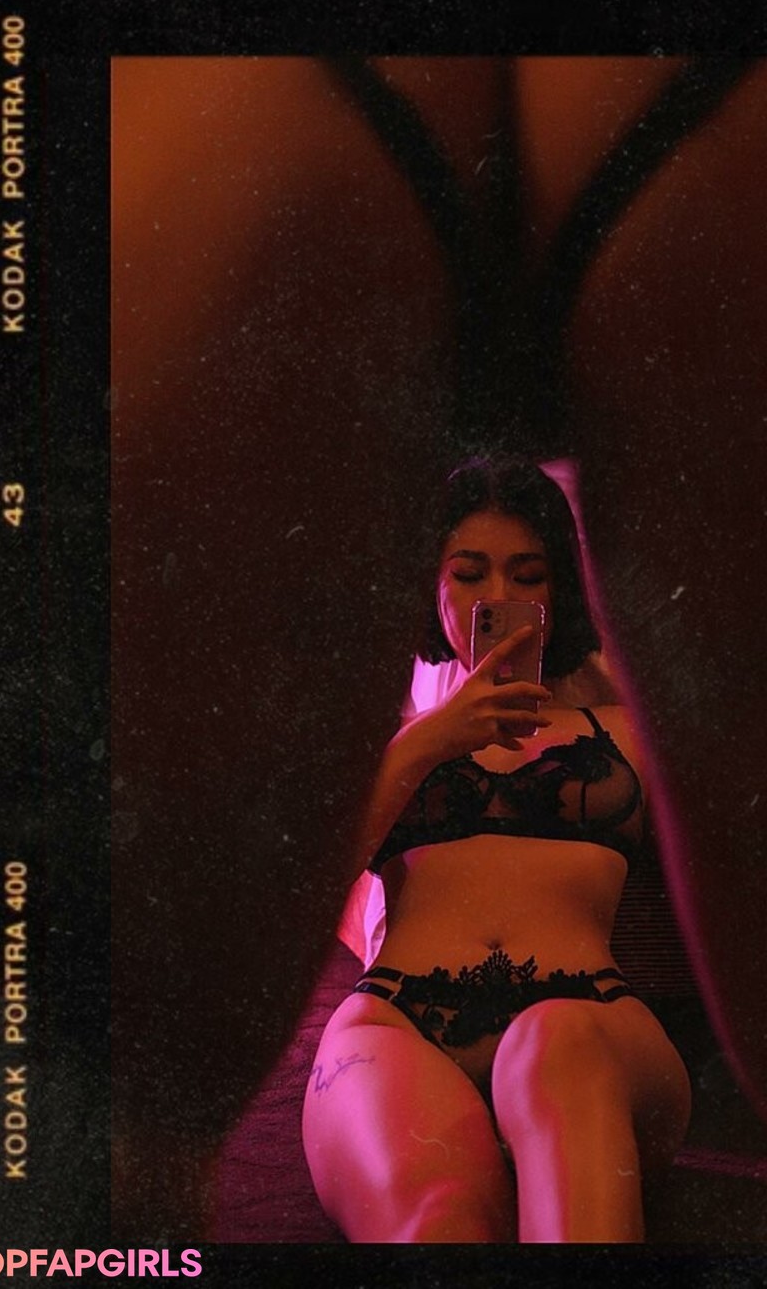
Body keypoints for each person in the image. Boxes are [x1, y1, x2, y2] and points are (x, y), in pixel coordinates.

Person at [301, 455, 691, 1244]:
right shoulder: (381, 743)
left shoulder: (627, 733)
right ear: (431, 585)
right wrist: (429, 741)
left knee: (553, 1043)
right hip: (399, 1024)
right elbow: (296, 900)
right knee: (438, 1219)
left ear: (561, 590)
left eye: (528, 575)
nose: (498, 597)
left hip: (588, 1029)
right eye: (469, 573)